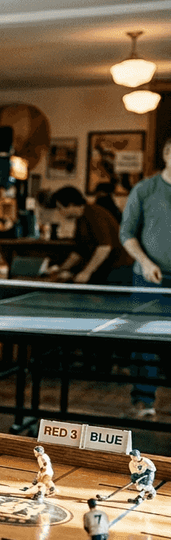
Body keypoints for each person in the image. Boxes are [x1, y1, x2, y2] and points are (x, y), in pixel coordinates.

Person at [120, 136, 171, 420]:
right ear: (166, 153)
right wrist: (145, 261)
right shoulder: (145, 189)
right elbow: (126, 234)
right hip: (148, 278)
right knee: (146, 342)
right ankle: (143, 399)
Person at [46, 186, 133, 285]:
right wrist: (61, 269)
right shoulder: (81, 218)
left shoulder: (94, 214)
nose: (59, 212)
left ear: (70, 205)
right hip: (109, 268)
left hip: (119, 269)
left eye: (60, 208)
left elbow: (104, 248)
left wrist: (86, 272)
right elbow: (80, 251)